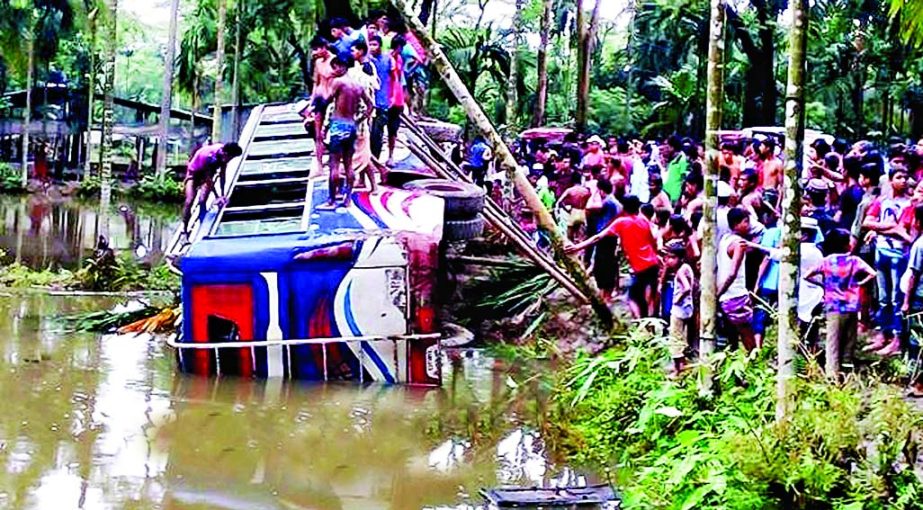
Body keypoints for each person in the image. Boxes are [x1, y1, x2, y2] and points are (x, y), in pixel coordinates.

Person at [566, 195, 659, 316]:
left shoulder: (621, 222)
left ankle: (641, 322)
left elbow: (598, 237)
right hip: (653, 263)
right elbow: (652, 242)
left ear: (624, 208)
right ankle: (652, 321)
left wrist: (577, 246)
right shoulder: (644, 221)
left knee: (633, 298)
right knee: (649, 295)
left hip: (640, 266)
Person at [804, 228, 877, 378]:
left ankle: (832, 374)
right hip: (852, 305)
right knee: (849, 340)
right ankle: (847, 372)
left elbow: (807, 275)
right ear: (846, 245)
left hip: (834, 306)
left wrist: (823, 285)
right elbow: (872, 273)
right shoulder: (854, 260)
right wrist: (859, 283)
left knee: (833, 341)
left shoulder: (827, 261)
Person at [863, 167, 912, 355]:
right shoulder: (882, 201)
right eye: (899, 177)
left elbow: (904, 231)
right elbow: (867, 222)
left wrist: (883, 229)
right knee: (883, 297)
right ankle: (883, 334)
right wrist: (888, 227)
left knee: (896, 297)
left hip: (900, 254)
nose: (903, 180)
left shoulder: (910, 203)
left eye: (906, 177)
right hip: (881, 251)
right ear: (890, 180)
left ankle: (897, 338)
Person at [322, 56, 373, 209]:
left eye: (335, 67)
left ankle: (331, 201)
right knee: (349, 165)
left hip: (338, 126)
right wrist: (358, 120)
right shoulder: (358, 86)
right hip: (351, 126)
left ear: (341, 66)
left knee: (335, 165)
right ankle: (348, 199)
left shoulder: (338, 82)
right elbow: (371, 105)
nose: (333, 71)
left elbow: (326, 100)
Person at [717, 207, 758, 351]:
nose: (749, 225)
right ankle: (754, 363)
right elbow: (732, 273)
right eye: (746, 221)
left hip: (725, 297)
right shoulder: (739, 244)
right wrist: (719, 293)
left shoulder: (724, 240)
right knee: (747, 336)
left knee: (731, 336)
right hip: (735, 294)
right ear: (736, 224)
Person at [182, 142, 243, 235]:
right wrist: (217, 197)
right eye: (231, 157)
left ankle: (203, 224)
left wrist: (223, 195)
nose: (230, 160)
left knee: (203, 200)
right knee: (189, 201)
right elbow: (208, 180)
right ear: (226, 154)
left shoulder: (223, 155)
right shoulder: (209, 157)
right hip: (194, 174)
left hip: (208, 174)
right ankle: (184, 230)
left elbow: (223, 175)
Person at [663, 239, 695, 376]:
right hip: (688, 308)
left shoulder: (680, 272)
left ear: (681, 258)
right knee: (683, 337)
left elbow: (686, 288)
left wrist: (676, 299)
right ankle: (683, 367)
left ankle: (678, 370)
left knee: (675, 339)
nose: (669, 261)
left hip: (679, 310)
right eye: (668, 257)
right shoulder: (687, 267)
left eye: (673, 258)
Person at [901, 204, 923, 396]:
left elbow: (913, 276)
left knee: (917, 341)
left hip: (920, 299)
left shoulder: (919, 245)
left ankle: (917, 383)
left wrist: (906, 301)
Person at [306, 36, 336, 176]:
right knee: (318, 134)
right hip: (320, 99)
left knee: (334, 134)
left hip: (333, 101)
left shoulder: (335, 61)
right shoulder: (318, 63)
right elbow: (316, 83)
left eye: (317, 49)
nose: (315, 52)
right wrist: (311, 103)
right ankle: (319, 165)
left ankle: (334, 163)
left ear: (324, 47)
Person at [385, 35, 409, 166]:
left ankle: (390, 155)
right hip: (387, 95)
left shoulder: (399, 59)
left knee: (393, 129)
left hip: (397, 97)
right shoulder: (387, 58)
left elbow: (399, 79)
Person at [368, 36, 391, 160]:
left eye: (375, 45)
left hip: (382, 102)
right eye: (370, 45)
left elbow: (395, 78)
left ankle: (376, 158)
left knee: (377, 132)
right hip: (368, 102)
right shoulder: (366, 62)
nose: (372, 48)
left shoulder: (388, 60)